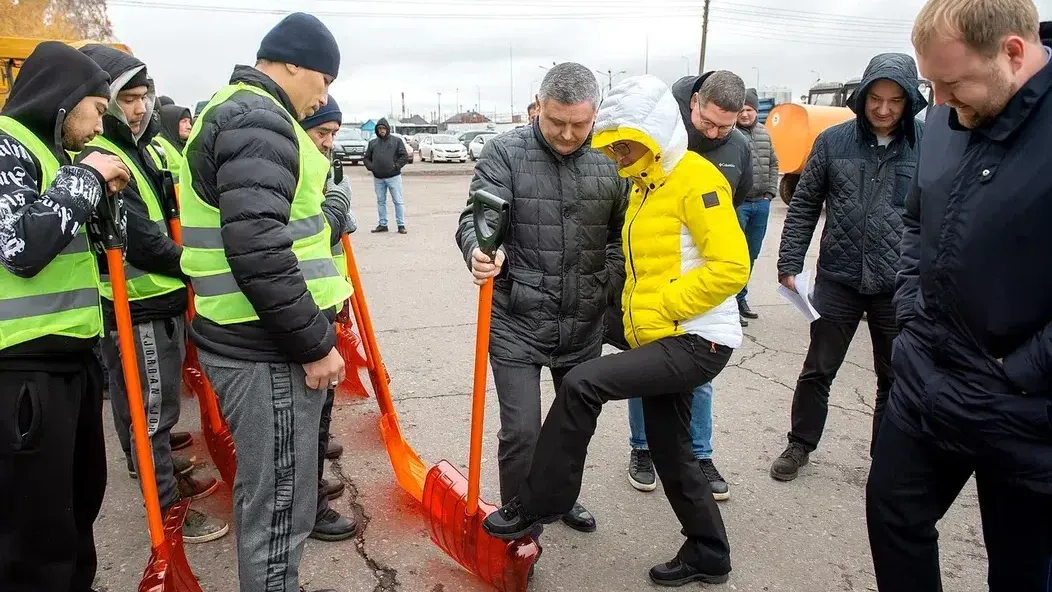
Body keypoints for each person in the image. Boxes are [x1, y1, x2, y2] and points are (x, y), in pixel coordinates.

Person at [483, 74, 750, 587]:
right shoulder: (649, 184)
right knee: (672, 452)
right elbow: (630, 259)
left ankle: (539, 503)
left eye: (626, 143)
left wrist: (667, 307)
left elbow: (731, 267)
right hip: (662, 336)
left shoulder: (696, 180)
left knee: (585, 383)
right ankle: (709, 552)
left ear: (653, 133)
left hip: (695, 339)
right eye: (615, 144)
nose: (618, 153)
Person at [867, 2, 1052, 590]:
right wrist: (911, 312)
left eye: (951, 82)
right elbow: (917, 221)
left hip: (1025, 408)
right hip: (927, 377)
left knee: (1021, 568)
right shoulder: (949, 119)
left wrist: (1022, 369)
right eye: (931, 83)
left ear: (1013, 53)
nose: (938, 102)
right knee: (892, 515)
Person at [178, 13, 350, 592]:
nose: (321, 97)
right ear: (292, 63)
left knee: (275, 496)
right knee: (279, 506)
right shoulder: (260, 118)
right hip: (265, 347)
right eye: (322, 80)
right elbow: (258, 247)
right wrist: (314, 341)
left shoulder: (234, 110)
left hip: (248, 337)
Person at [456, 62, 626, 539]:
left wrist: (604, 283)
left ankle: (558, 497)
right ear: (540, 106)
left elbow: (620, 237)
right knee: (523, 433)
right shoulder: (504, 152)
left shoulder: (613, 158)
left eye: (580, 124)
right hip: (516, 317)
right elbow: (476, 218)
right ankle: (520, 525)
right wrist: (478, 250)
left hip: (584, 320)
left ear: (595, 115)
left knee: (572, 431)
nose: (568, 134)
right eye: (557, 122)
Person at [76, 43, 229, 543]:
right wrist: (197, 265)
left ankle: (151, 468)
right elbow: (141, 240)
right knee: (152, 410)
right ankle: (166, 510)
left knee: (141, 404)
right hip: (138, 302)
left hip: (157, 298)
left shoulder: (153, 146)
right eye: (126, 99)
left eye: (143, 97)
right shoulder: (103, 155)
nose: (139, 108)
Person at [0, 41, 132, 592]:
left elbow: (85, 251)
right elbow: (20, 248)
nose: (100, 126)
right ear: (65, 99)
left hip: (71, 362)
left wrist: (103, 195)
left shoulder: (56, 159)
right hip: (24, 372)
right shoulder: (6, 148)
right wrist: (86, 180)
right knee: (36, 527)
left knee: (79, 505)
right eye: (98, 110)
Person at [770, 52, 927, 482]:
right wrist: (789, 262)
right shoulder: (833, 141)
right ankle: (799, 443)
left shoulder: (927, 145)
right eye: (875, 98)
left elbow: (941, 218)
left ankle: (886, 458)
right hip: (838, 278)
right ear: (861, 97)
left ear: (911, 101)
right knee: (818, 368)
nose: (883, 109)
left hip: (897, 284)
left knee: (894, 376)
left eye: (895, 101)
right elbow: (803, 205)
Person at [625, 70, 750, 501]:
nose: (714, 133)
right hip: (656, 273)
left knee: (699, 379)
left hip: (702, 280)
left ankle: (699, 453)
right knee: (642, 369)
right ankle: (642, 449)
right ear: (694, 102)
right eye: (709, 121)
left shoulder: (739, 147)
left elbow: (740, 210)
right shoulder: (664, 132)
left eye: (725, 127)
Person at [300, 94, 359, 543]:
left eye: (335, 135)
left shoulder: (318, 165)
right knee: (307, 421)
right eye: (323, 133)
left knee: (319, 416)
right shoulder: (294, 167)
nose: (329, 143)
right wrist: (336, 208)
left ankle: (312, 487)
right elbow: (312, 234)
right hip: (301, 311)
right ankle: (309, 506)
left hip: (322, 300)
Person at [734, 88, 779, 321]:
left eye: (749, 110)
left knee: (751, 254)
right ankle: (730, 304)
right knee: (736, 255)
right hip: (739, 205)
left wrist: (770, 193)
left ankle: (741, 298)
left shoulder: (764, 133)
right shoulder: (730, 135)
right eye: (741, 110)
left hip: (761, 203)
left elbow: (773, 163)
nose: (745, 114)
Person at [364, 117, 408, 234]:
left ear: (387, 129)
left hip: (394, 177)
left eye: (384, 128)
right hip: (378, 178)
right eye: (379, 128)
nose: (382, 130)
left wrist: (396, 166)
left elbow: (404, 156)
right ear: (377, 130)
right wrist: (372, 167)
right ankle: (383, 224)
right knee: (381, 201)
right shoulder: (372, 143)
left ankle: (401, 225)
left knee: (398, 201)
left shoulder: (396, 141)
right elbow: (366, 158)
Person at [148, 103, 191, 182]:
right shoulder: (157, 145)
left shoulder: (185, 145)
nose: (189, 126)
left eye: (189, 122)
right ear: (172, 123)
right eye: (184, 122)